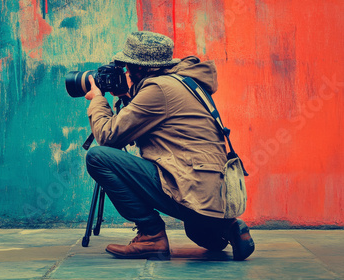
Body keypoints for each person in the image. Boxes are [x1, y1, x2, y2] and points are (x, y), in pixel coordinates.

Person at [84, 31, 255, 261]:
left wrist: (97, 99)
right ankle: (229, 227)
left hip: (192, 188)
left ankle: (151, 235)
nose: (125, 72)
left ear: (141, 68)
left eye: (128, 67)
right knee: (198, 233)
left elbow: (107, 136)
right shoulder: (185, 82)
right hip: (213, 194)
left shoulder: (158, 90)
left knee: (98, 157)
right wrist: (128, 95)